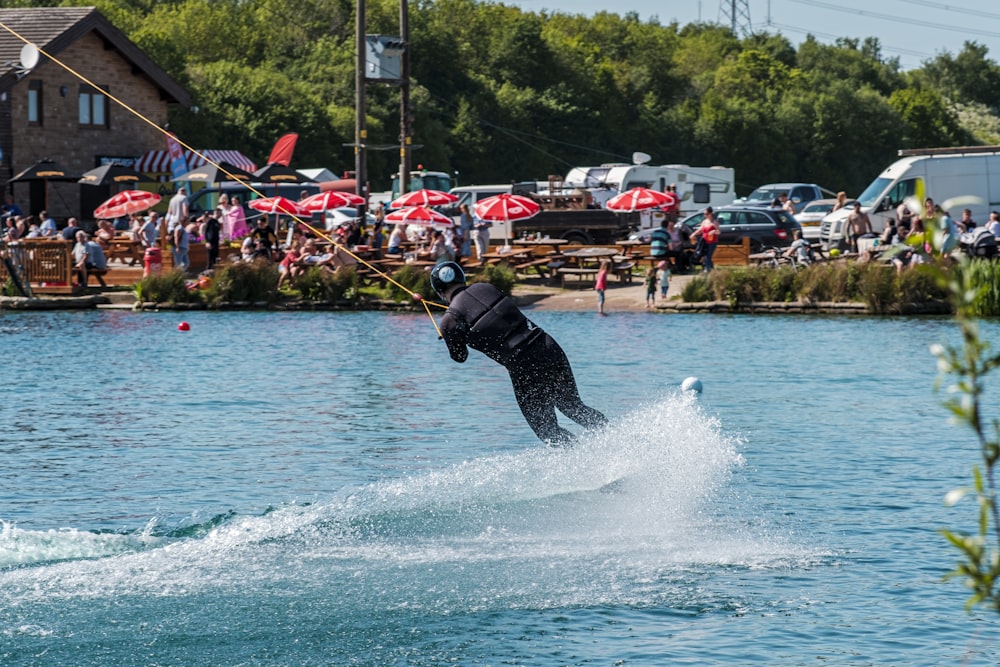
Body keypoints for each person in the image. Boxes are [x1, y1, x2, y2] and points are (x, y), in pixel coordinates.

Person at [431, 261, 607, 445]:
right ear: (461, 277)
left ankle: (583, 461)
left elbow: (460, 357)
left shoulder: (449, 321)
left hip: (523, 366)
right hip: (546, 345)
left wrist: (451, 335)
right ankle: (614, 439)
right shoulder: (486, 287)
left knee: (546, 429)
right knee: (573, 407)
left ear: (439, 292)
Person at [692, 207, 720, 272]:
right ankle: (712, 270)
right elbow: (700, 230)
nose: (705, 215)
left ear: (710, 214)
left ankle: (707, 269)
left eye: (706, 214)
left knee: (708, 256)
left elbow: (719, 231)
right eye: (704, 214)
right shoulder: (704, 221)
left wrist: (713, 231)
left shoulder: (714, 221)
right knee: (705, 255)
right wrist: (694, 234)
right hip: (704, 241)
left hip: (712, 242)